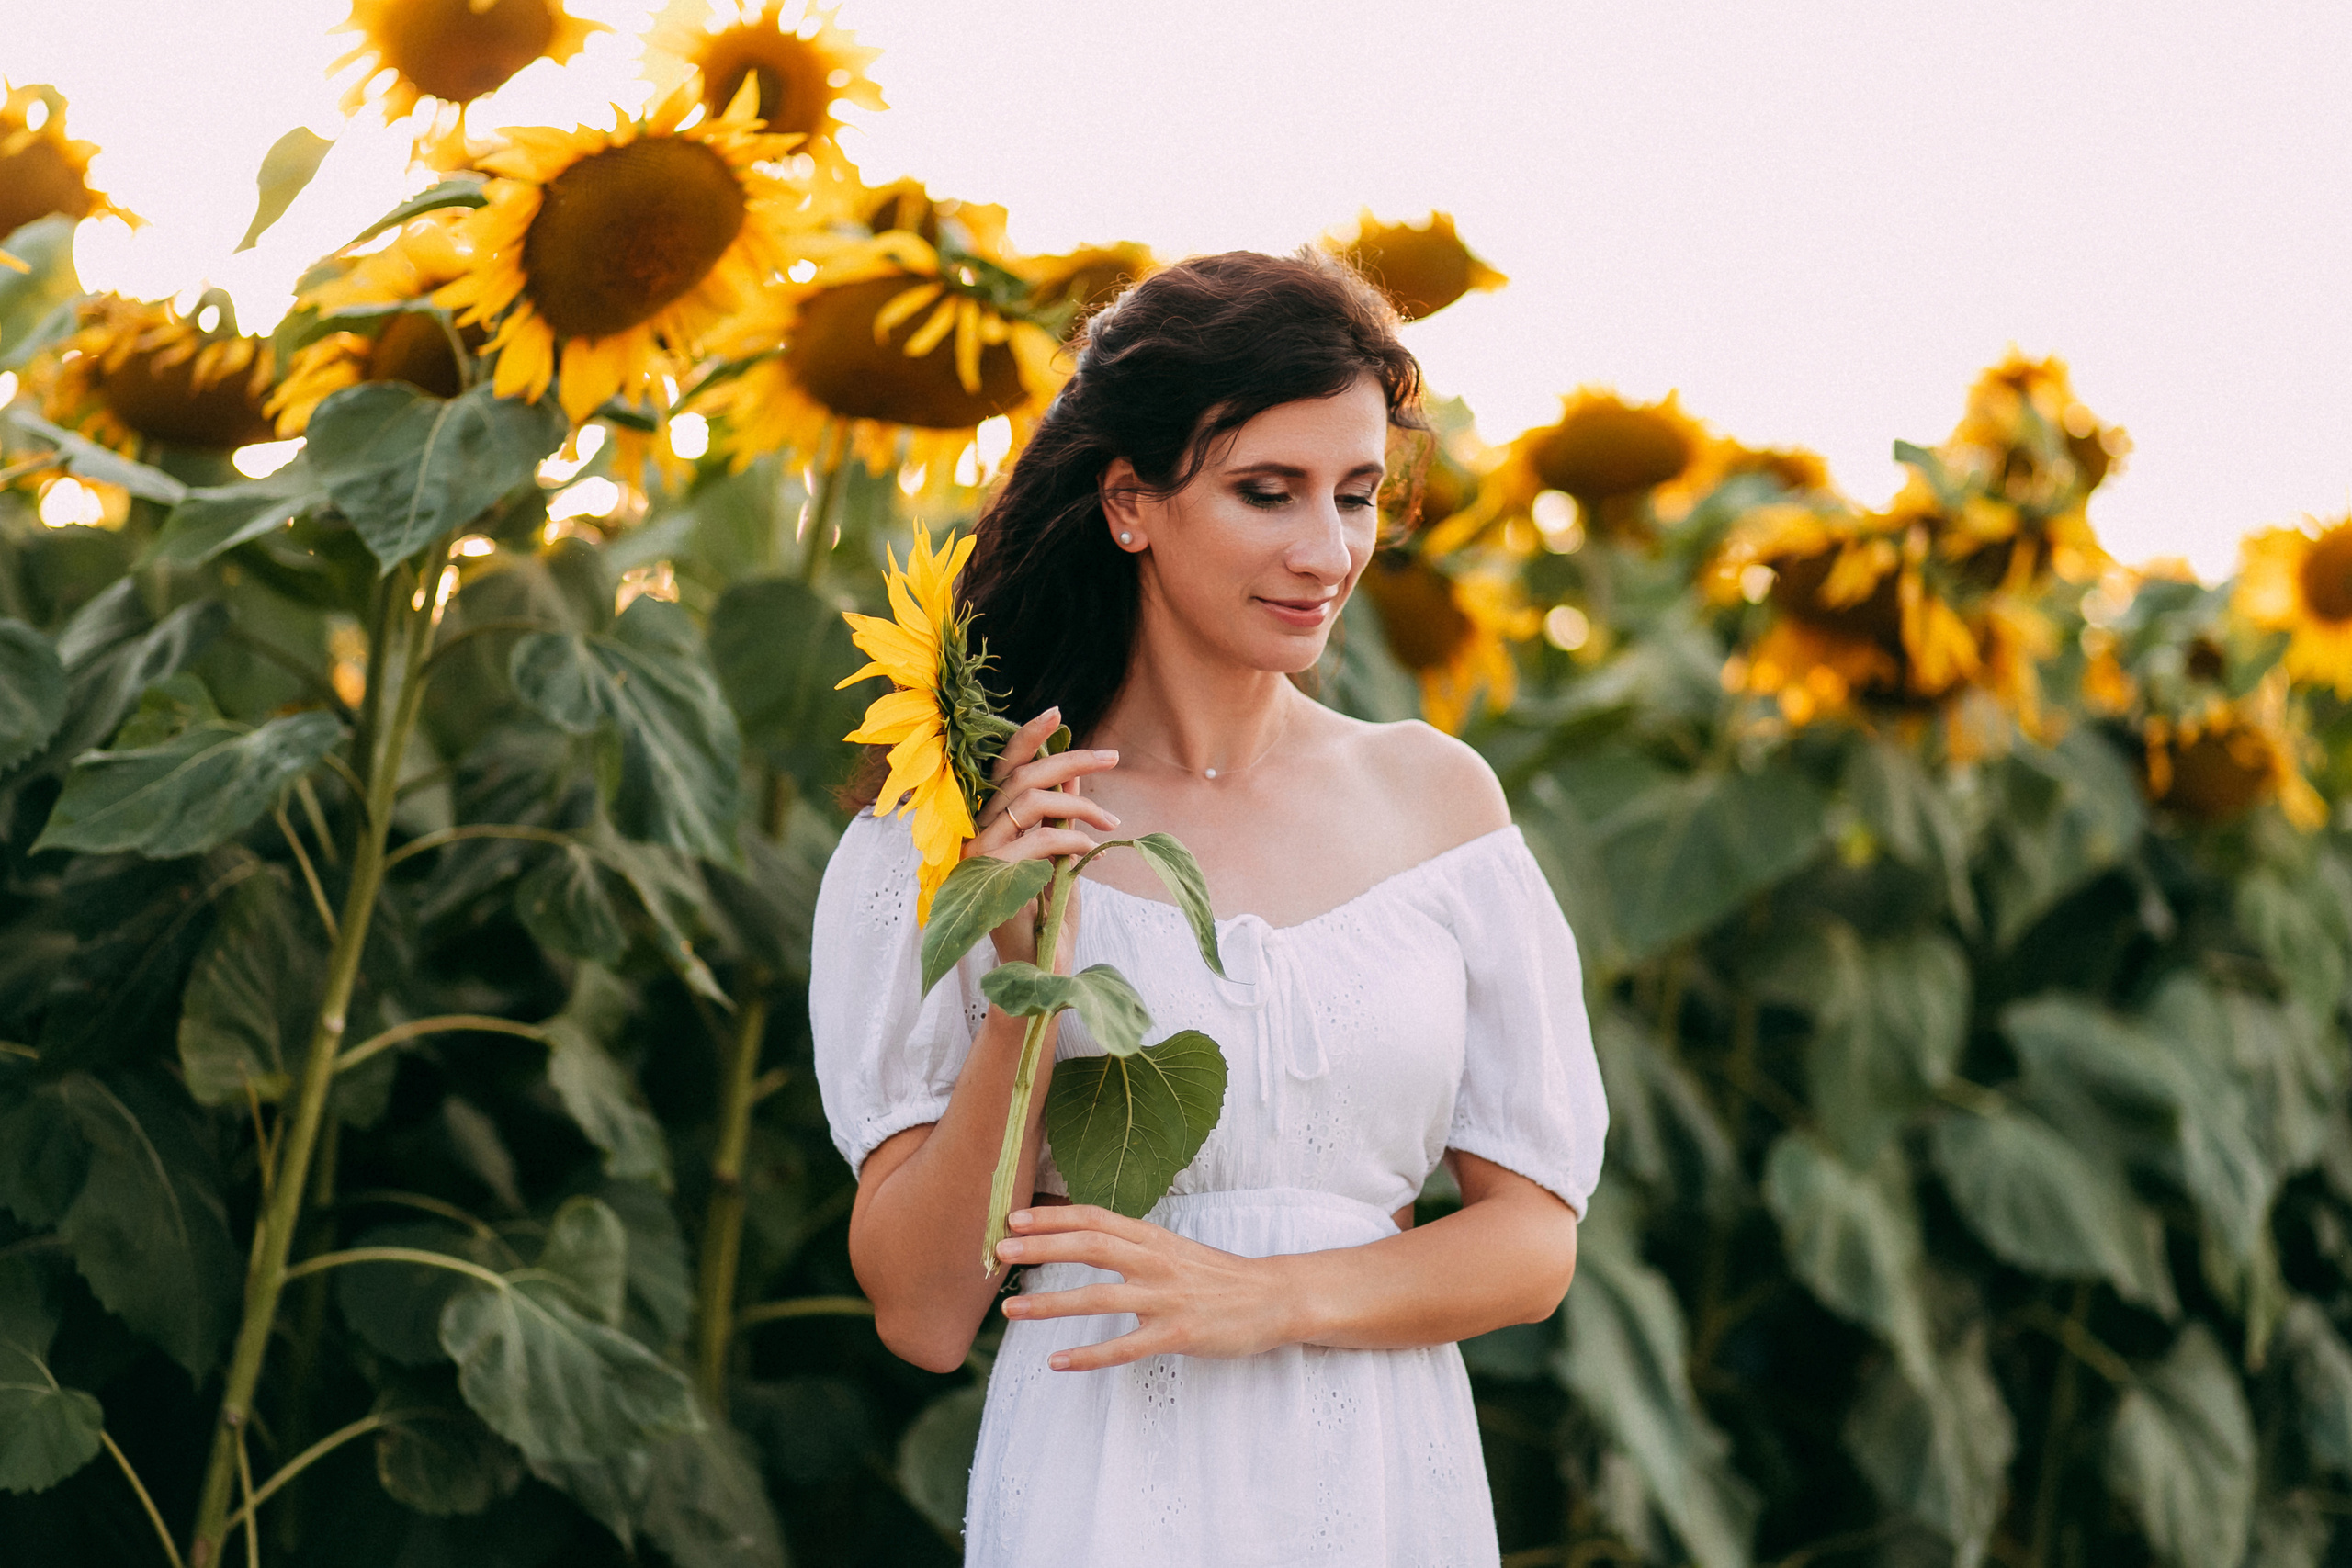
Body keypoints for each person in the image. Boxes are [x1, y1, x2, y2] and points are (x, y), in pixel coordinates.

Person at [810, 249, 1606, 1566]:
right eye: (1266, 493)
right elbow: (924, 1313)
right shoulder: (955, 829)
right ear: (1131, 502)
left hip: (1382, 1486)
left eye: (1354, 495)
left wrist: (1270, 1297)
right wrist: (1023, 984)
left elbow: (1532, 1242)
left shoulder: (1438, 801)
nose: (1327, 550)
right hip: (1107, 1487)